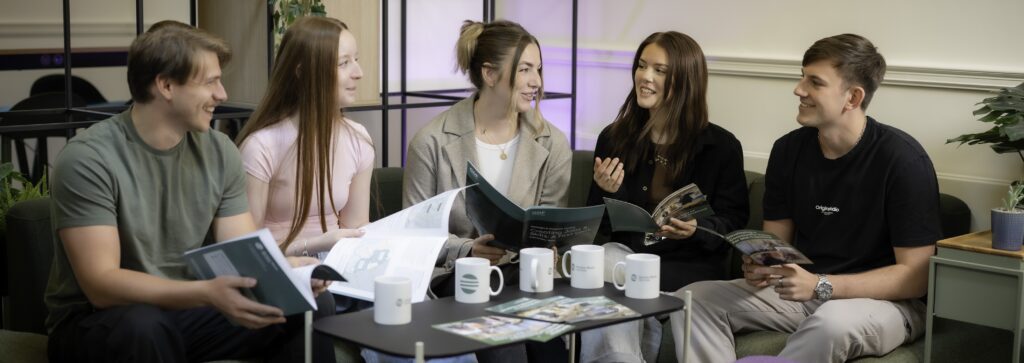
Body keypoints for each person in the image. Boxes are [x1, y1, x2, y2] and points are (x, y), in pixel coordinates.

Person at [44, 21, 333, 363]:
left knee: (305, 305)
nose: (222, 94)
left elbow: (240, 252)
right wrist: (206, 294)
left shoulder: (218, 150)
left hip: (187, 308)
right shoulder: (88, 159)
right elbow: (101, 285)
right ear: (166, 85)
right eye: (210, 82)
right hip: (98, 321)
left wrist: (285, 273)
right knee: (144, 326)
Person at [671, 33, 941, 363]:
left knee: (830, 323)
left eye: (815, 82)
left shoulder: (903, 161)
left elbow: (915, 277)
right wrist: (762, 265)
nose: (799, 89)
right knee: (692, 299)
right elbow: (776, 246)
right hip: (803, 291)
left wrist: (821, 285)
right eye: (802, 77)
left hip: (886, 305)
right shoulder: (788, 150)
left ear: (853, 97)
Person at [402, 19, 572, 362]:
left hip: (524, 275)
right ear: (490, 74)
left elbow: (551, 223)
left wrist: (549, 246)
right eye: (524, 69)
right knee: (501, 316)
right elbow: (412, 235)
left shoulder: (553, 143)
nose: (536, 82)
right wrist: (467, 250)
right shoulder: (431, 141)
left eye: (538, 69)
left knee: (540, 321)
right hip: (456, 277)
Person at [581, 31, 749, 363]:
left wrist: (697, 228)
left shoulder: (721, 147)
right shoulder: (615, 138)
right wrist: (607, 190)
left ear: (686, 80)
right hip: (627, 255)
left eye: (660, 70)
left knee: (615, 275)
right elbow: (593, 223)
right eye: (642, 66)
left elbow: (734, 223)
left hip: (688, 266)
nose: (645, 77)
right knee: (603, 262)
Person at [237, 16, 372, 259]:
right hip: (277, 270)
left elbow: (357, 229)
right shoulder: (262, 145)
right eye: (343, 63)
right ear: (302, 72)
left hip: (335, 265)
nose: (358, 73)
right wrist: (315, 245)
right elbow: (246, 250)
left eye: (356, 60)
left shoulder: (358, 138)